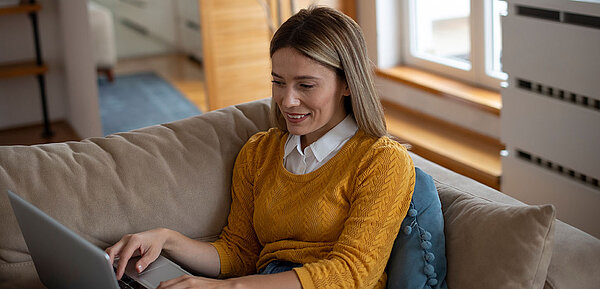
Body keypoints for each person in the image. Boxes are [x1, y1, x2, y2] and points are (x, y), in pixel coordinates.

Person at [106, 6, 415, 289]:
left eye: (305, 85)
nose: (287, 101)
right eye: (278, 82)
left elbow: (352, 273)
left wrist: (230, 288)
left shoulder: (382, 161)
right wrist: (167, 239)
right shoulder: (259, 153)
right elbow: (239, 253)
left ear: (347, 84)